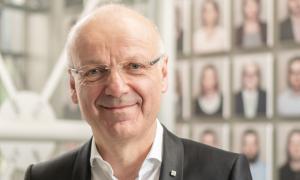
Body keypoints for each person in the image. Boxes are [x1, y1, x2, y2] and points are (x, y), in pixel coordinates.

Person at [24, 4, 252, 180]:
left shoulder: (224, 173)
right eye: (94, 71)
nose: (116, 87)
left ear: (163, 74)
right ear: (73, 86)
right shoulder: (42, 177)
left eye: (134, 66)